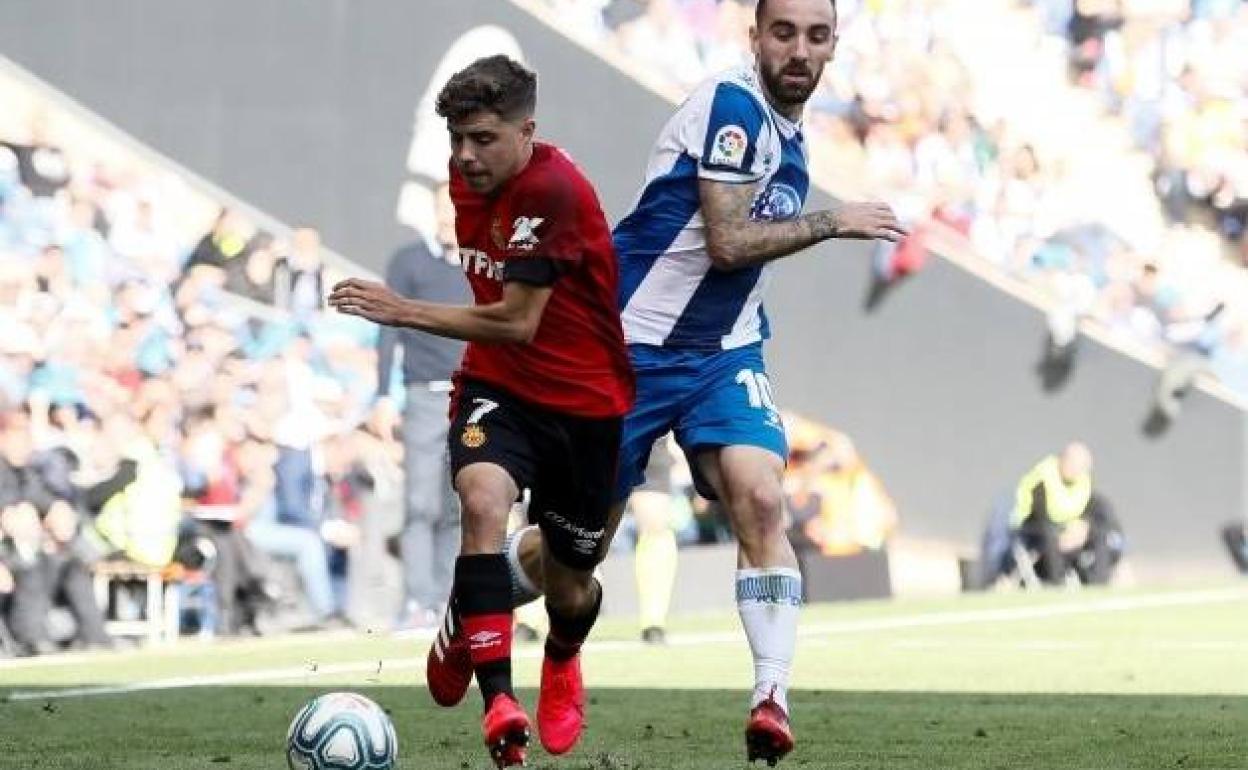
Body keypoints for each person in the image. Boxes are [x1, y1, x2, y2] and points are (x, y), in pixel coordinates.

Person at [505, 0, 904, 763]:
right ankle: (503, 621)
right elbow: (725, 242)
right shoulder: (732, 105)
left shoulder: (790, 136)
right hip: (625, 350)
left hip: (723, 352)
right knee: (570, 562)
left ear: (833, 47)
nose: (799, 50)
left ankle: (771, 699)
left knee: (760, 496)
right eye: (783, 32)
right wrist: (831, 221)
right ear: (754, 38)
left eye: (816, 36)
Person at [329, 55, 634, 768]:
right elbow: (504, 337)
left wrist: (400, 310)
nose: (466, 155)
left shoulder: (552, 190)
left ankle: (558, 653)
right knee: (480, 498)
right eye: (457, 138)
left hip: (585, 407)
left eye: (483, 139)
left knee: (570, 579)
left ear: (527, 130)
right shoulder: (470, 185)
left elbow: (518, 319)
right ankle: (499, 701)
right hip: (499, 388)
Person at [375, 183, 469, 631]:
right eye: (442, 209)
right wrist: (381, 396)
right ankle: (417, 601)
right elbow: (387, 330)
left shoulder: (480, 265)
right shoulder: (407, 262)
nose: (449, 218)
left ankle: (449, 602)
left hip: (472, 396)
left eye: (456, 209)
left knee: (457, 505)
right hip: (424, 394)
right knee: (419, 504)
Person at [1011, 442, 1123, 586]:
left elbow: (1090, 509)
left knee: (1100, 533)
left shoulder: (1082, 481)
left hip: (1068, 531)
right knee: (1049, 534)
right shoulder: (1044, 478)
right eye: (1074, 464)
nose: (1077, 470)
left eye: (1082, 467)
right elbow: (1039, 514)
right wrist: (1063, 536)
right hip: (1034, 530)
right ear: (1064, 459)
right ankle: (1057, 584)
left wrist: (1083, 527)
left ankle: (1098, 585)